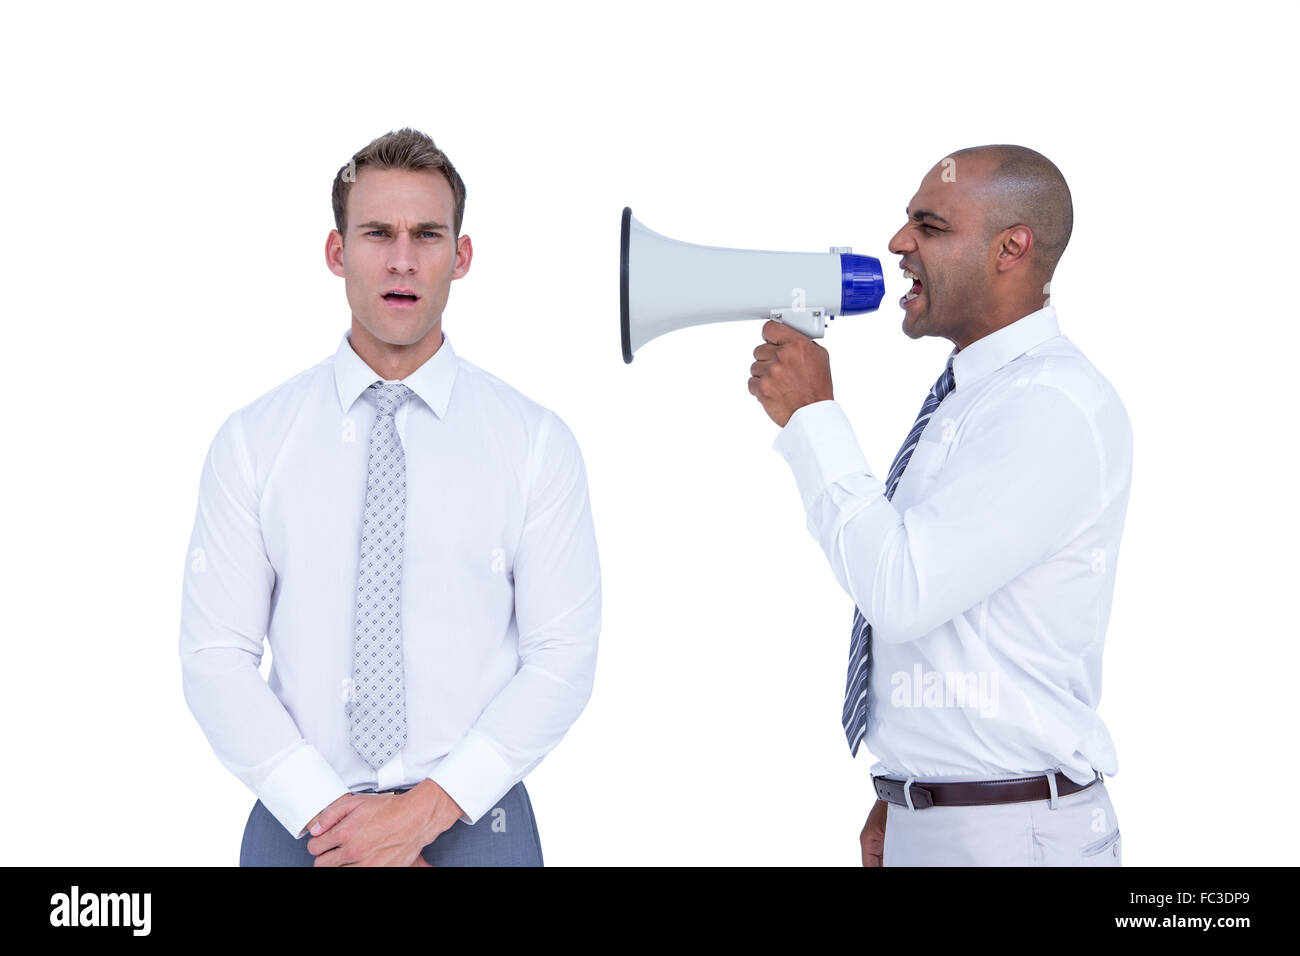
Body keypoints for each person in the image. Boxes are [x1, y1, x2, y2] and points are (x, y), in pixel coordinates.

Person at [179, 127, 600, 867]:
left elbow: (561, 656)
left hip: (476, 820)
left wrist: (419, 819)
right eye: (378, 233)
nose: (403, 259)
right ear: (337, 252)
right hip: (299, 822)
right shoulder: (254, 440)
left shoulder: (534, 442)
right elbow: (216, 657)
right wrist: (342, 823)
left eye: (427, 234)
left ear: (461, 257)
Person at [748, 145, 1132, 866]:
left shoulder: (1049, 406)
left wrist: (814, 420)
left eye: (930, 225)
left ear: (1010, 249)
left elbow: (902, 590)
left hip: (1012, 840)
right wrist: (912, 789)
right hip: (960, 824)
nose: (898, 243)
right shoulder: (975, 398)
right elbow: (960, 615)